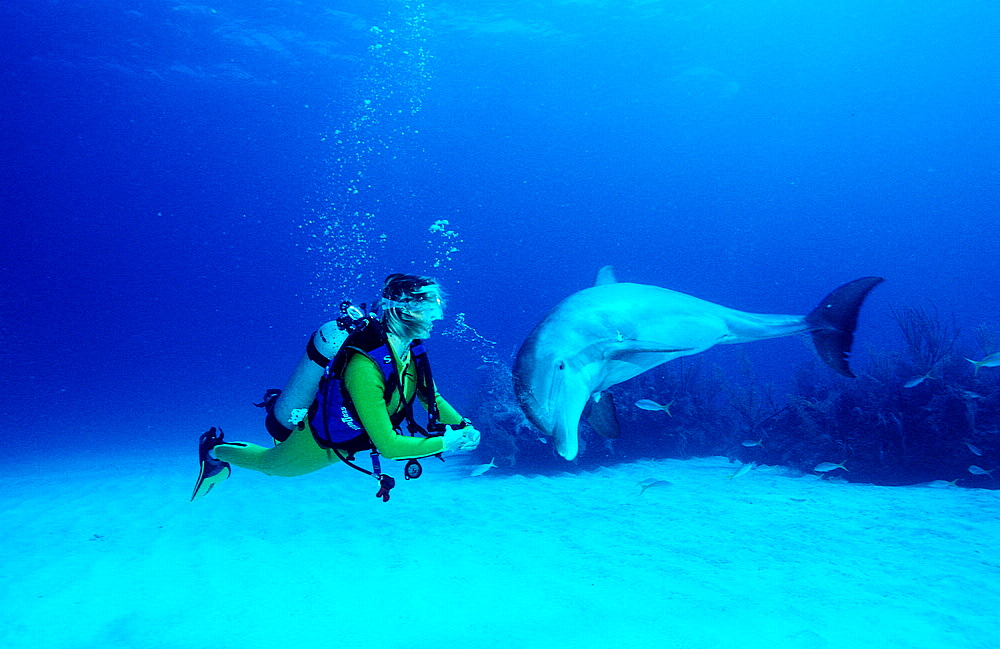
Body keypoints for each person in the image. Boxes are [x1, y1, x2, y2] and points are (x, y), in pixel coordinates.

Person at [191, 273, 481, 502]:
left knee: (279, 458)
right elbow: (390, 447)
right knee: (274, 466)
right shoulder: (364, 367)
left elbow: (432, 398)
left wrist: (462, 424)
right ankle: (214, 451)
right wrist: (448, 442)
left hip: (356, 434)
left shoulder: (411, 350)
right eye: (428, 308)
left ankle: (284, 413)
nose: (436, 317)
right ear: (403, 310)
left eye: (437, 307)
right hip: (325, 439)